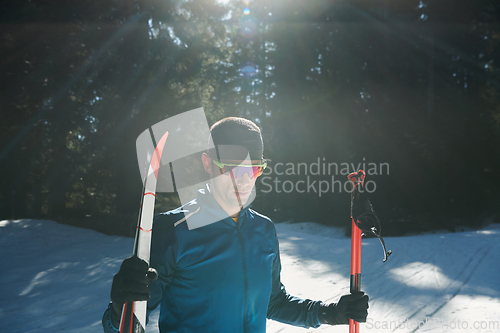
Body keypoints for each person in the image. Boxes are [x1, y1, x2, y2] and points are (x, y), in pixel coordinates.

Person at [102, 117, 369, 332]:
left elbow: (273, 302)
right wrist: (119, 308)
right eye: (231, 167)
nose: (242, 180)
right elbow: (127, 324)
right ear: (207, 163)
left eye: (253, 168)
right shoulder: (174, 230)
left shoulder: (264, 231)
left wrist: (330, 313)